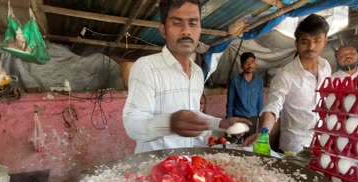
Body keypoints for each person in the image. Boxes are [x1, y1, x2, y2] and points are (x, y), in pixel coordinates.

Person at [123, 0, 251, 153]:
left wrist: (221, 123)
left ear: (199, 29)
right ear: (163, 30)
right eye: (177, 23)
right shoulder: (146, 67)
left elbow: (193, 114)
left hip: (187, 163)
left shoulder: (197, 72)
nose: (186, 31)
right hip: (155, 167)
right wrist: (170, 123)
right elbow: (133, 124)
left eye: (193, 23)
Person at [244, 14, 331, 154]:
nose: (311, 46)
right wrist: (264, 132)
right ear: (296, 43)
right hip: (296, 146)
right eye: (305, 41)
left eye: (317, 40)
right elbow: (273, 106)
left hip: (322, 142)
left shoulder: (326, 67)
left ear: (325, 41)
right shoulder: (286, 75)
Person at [226, 52, 264, 139]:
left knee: (250, 145)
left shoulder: (259, 81)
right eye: (246, 63)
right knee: (236, 144)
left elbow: (260, 101)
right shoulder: (235, 81)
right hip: (238, 117)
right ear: (242, 65)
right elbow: (230, 102)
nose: (249, 65)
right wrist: (229, 119)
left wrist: (261, 120)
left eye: (252, 62)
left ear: (255, 63)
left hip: (253, 119)